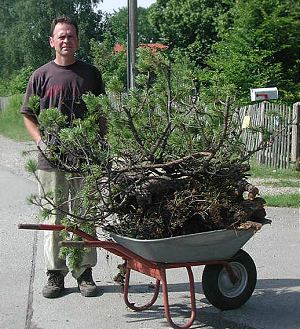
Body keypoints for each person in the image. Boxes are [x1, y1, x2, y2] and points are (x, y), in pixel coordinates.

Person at [20, 15, 105, 298]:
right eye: (61, 36)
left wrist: (102, 147)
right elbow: (28, 116)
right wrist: (41, 141)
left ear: (77, 41)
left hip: (84, 157)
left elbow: (100, 115)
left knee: (83, 215)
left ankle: (85, 273)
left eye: (70, 35)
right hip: (51, 159)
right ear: (52, 41)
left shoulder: (91, 75)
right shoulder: (40, 75)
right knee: (54, 215)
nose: (66, 40)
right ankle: (55, 274)